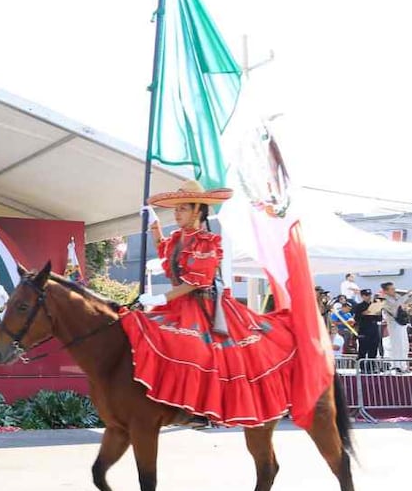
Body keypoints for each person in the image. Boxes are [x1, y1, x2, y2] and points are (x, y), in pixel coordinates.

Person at [121, 181, 308, 427]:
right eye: (176, 209)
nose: (176, 213)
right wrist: (153, 225)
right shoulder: (178, 238)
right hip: (179, 306)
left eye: (183, 208)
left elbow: (196, 282)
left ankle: (198, 411)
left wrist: (161, 297)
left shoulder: (207, 242)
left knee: (196, 348)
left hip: (206, 306)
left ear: (197, 211)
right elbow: (166, 253)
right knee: (145, 330)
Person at [381, 282, 411, 360]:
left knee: (404, 345)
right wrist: (405, 296)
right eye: (392, 289)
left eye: (394, 289)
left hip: (402, 323)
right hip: (393, 324)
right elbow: (394, 308)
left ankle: (403, 363)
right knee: (397, 345)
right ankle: (396, 364)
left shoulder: (397, 297)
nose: (394, 291)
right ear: (386, 291)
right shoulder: (384, 300)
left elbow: (406, 302)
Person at [352, 288, 383, 360]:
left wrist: (378, 314)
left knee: (373, 350)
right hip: (364, 330)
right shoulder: (359, 306)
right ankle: (362, 365)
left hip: (374, 329)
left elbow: (380, 319)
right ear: (362, 296)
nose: (369, 297)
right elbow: (356, 318)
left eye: (369, 295)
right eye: (366, 295)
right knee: (362, 350)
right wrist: (363, 314)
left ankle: (371, 365)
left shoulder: (374, 305)